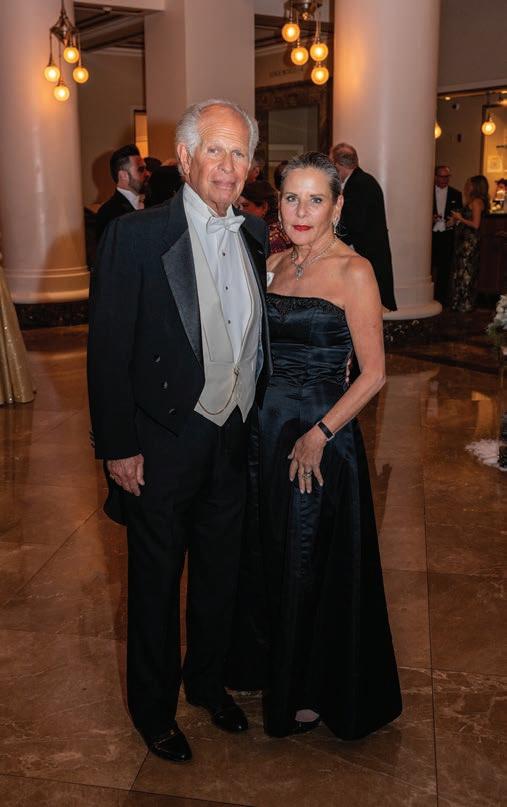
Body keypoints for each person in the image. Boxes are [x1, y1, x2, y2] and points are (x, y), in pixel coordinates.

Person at [87, 98, 271, 763]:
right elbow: (108, 349)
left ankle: (208, 682)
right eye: (215, 149)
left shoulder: (255, 234)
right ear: (187, 157)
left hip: (231, 436)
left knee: (220, 574)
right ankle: (154, 710)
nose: (228, 165)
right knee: (156, 584)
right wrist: (118, 447)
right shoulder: (136, 236)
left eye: (239, 152)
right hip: (161, 441)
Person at [228, 152, 402, 740]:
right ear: (277, 205)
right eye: (291, 198)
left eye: (316, 199)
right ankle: (270, 666)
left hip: (319, 436)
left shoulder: (355, 271)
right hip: (266, 431)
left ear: (338, 206)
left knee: (310, 560)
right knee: (271, 552)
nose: (302, 211)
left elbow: (374, 374)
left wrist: (320, 434)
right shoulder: (273, 264)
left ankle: (310, 687)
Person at [330, 142, 397, 311]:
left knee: (368, 305)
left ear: (338, 165)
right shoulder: (362, 181)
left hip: (369, 253)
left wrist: (330, 242)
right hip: (370, 251)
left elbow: (353, 224)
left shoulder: (358, 184)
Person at [449, 175, 489, 312]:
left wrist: (460, 218)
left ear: (476, 187)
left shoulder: (477, 202)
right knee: (461, 271)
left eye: (470, 184)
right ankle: (459, 302)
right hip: (464, 241)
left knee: (466, 271)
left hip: (469, 243)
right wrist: (455, 220)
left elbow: (476, 225)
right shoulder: (474, 201)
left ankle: (465, 303)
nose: (467, 186)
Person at [95, 144, 149, 242]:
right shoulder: (108, 213)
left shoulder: (152, 203)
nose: (147, 173)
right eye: (141, 169)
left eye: (146, 168)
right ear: (123, 175)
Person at [432, 165, 463, 305]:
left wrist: (454, 221)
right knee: (429, 266)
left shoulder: (456, 194)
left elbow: (459, 214)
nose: (444, 180)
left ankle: (441, 299)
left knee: (445, 268)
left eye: (447, 177)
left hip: (447, 234)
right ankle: (428, 296)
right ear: (435, 177)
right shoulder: (427, 191)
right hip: (430, 235)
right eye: (441, 176)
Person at [238, 180, 291, 254]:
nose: (240, 210)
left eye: (245, 205)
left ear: (264, 207)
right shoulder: (280, 226)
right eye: (238, 206)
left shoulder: (270, 236)